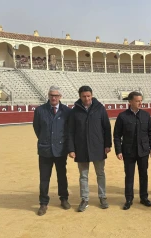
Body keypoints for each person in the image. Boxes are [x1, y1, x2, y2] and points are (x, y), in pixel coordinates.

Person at [68, 86, 112, 212]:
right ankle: (84, 199)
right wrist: (71, 149)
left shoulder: (100, 109)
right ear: (80, 96)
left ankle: (102, 197)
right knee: (83, 175)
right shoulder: (74, 111)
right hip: (81, 148)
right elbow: (70, 131)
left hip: (98, 146)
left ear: (92, 95)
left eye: (88, 96)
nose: (86, 98)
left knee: (100, 173)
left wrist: (107, 145)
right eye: (84, 96)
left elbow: (107, 127)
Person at [33, 86, 71, 216]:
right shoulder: (40, 110)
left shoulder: (67, 111)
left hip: (60, 150)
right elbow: (37, 129)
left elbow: (68, 131)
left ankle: (64, 199)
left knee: (62, 176)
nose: (53, 97)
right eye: (51, 95)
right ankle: (43, 203)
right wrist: (46, 140)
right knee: (44, 178)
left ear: (60, 96)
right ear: (48, 95)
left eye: (56, 95)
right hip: (45, 150)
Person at [114, 91, 151, 210]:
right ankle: (128, 199)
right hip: (128, 151)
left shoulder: (146, 115)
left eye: (141, 100)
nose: (140, 103)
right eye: (137, 101)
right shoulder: (122, 116)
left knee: (144, 175)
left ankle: (144, 197)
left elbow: (150, 133)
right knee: (129, 176)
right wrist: (118, 151)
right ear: (130, 101)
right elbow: (117, 135)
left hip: (143, 151)